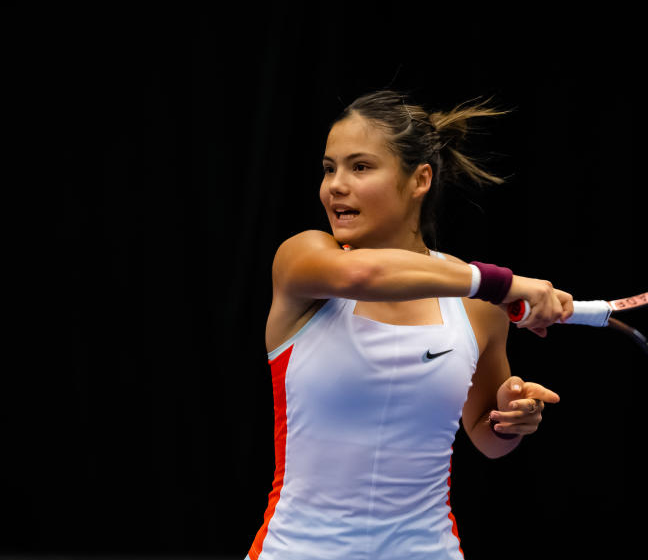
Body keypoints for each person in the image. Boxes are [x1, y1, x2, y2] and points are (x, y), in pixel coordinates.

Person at [244, 90, 573, 560]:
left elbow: (486, 435)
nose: (335, 185)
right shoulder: (303, 261)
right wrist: (503, 283)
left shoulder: (477, 306)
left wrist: (510, 419)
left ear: (420, 179)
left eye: (359, 167)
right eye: (329, 167)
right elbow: (364, 274)